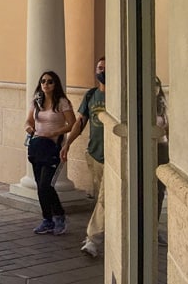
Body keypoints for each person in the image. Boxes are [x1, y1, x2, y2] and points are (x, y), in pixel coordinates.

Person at [61, 56, 106, 257]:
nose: (102, 71)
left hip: (113, 158)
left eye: (106, 68)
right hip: (95, 155)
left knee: (105, 200)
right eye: (99, 67)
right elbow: (80, 123)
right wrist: (67, 144)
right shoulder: (91, 95)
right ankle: (105, 234)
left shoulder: (119, 95)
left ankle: (92, 240)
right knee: (100, 200)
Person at [24, 70, 75, 236]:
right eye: (43, 81)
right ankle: (47, 220)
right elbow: (29, 120)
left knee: (46, 184)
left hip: (54, 147)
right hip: (38, 146)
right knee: (40, 186)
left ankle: (59, 216)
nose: (46, 84)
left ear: (56, 84)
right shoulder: (36, 102)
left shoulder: (62, 102)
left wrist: (54, 133)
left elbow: (73, 124)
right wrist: (29, 128)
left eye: (50, 81)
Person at [155, 76, 169, 245]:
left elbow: (167, 126)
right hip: (149, 150)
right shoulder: (143, 105)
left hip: (162, 148)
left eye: (156, 84)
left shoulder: (162, 105)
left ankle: (155, 227)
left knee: (159, 191)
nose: (155, 88)